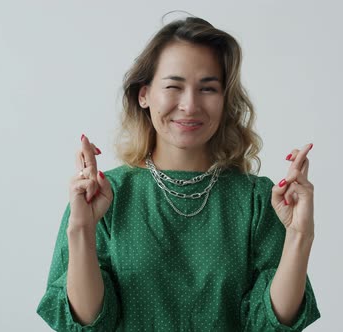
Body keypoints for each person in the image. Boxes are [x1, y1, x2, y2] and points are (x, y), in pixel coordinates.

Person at [37, 15, 321, 331]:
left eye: (208, 88)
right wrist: (81, 228)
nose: (189, 105)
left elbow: (269, 323)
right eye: (174, 86)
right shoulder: (103, 196)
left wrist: (300, 235)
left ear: (225, 101)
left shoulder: (256, 200)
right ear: (143, 94)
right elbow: (86, 324)